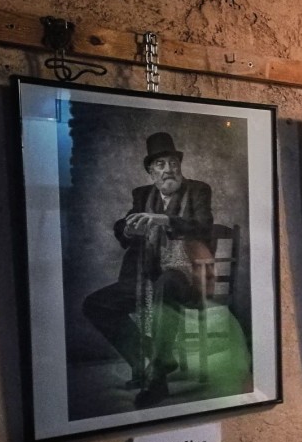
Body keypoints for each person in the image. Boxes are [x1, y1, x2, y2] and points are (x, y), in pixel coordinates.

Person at [82, 132, 213, 408]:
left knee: (166, 283)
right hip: (146, 275)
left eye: (173, 163)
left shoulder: (198, 190)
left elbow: (203, 227)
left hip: (187, 275)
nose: (169, 170)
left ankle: (156, 380)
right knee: (95, 304)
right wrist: (128, 229)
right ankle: (151, 359)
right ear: (151, 171)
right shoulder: (142, 195)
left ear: (180, 166)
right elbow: (123, 226)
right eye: (161, 165)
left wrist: (164, 219)